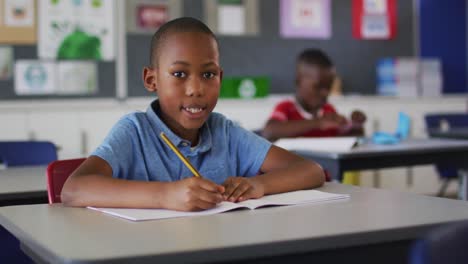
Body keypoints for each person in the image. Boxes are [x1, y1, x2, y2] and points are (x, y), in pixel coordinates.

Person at [61, 17, 325, 211]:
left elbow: (311, 170)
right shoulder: (135, 131)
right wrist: (165, 196)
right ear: (151, 80)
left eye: (208, 75)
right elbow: (74, 190)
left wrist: (259, 185)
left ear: (220, 79)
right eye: (179, 74)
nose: (196, 89)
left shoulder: (225, 132)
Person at [262, 49, 366, 142]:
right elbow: (269, 131)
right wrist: (318, 123)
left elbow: (345, 141)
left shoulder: (328, 110)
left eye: (328, 87)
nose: (325, 93)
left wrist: (356, 127)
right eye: (318, 87)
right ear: (298, 80)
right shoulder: (286, 107)